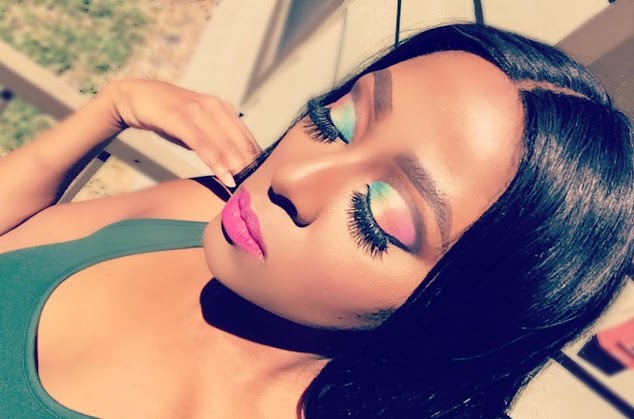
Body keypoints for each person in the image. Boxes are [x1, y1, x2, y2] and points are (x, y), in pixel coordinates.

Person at [1, 22, 633, 418]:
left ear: (457, 318)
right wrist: (110, 108)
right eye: (338, 122)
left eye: (377, 214)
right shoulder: (207, 213)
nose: (292, 179)